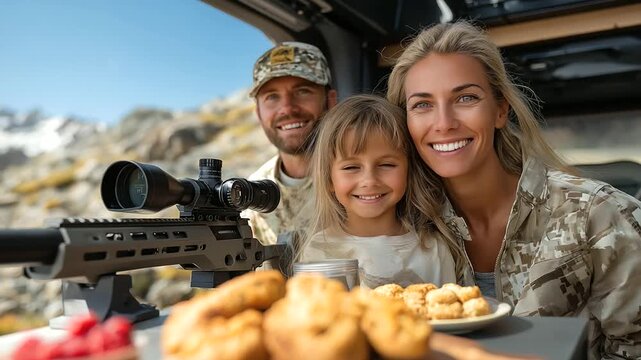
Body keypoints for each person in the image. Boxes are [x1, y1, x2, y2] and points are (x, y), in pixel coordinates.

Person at [386, 21, 641, 359]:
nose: (444, 122)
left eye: (465, 98)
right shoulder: (401, 226)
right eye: (422, 104)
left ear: (500, 110)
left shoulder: (599, 214)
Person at [293, 94, 458, 288]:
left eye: (387, 165)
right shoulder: (319, 251)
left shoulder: (433, 249)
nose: (369, 181)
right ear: (329, 178)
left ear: (408, 170)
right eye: (351, 168)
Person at [244, 41, 338, 245]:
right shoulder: (254, 197)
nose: (287, 108)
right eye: (272, 97)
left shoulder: (365, 177)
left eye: (302, 91)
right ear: (258, 113)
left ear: (330, 101)